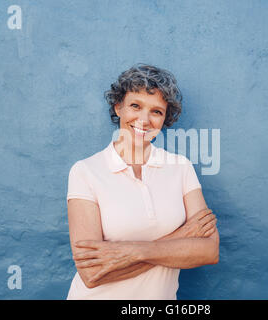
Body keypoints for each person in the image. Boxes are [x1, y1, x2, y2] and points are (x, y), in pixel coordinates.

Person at [66, 63, 219, 300]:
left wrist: (129, 252)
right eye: (135, 106)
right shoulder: (86, 171)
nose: (144, 120)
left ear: (165, 118)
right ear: (119, 107)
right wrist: (182, 236)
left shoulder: (181, 167)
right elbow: (92, 272)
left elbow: (209, 250)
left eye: (156, 111)